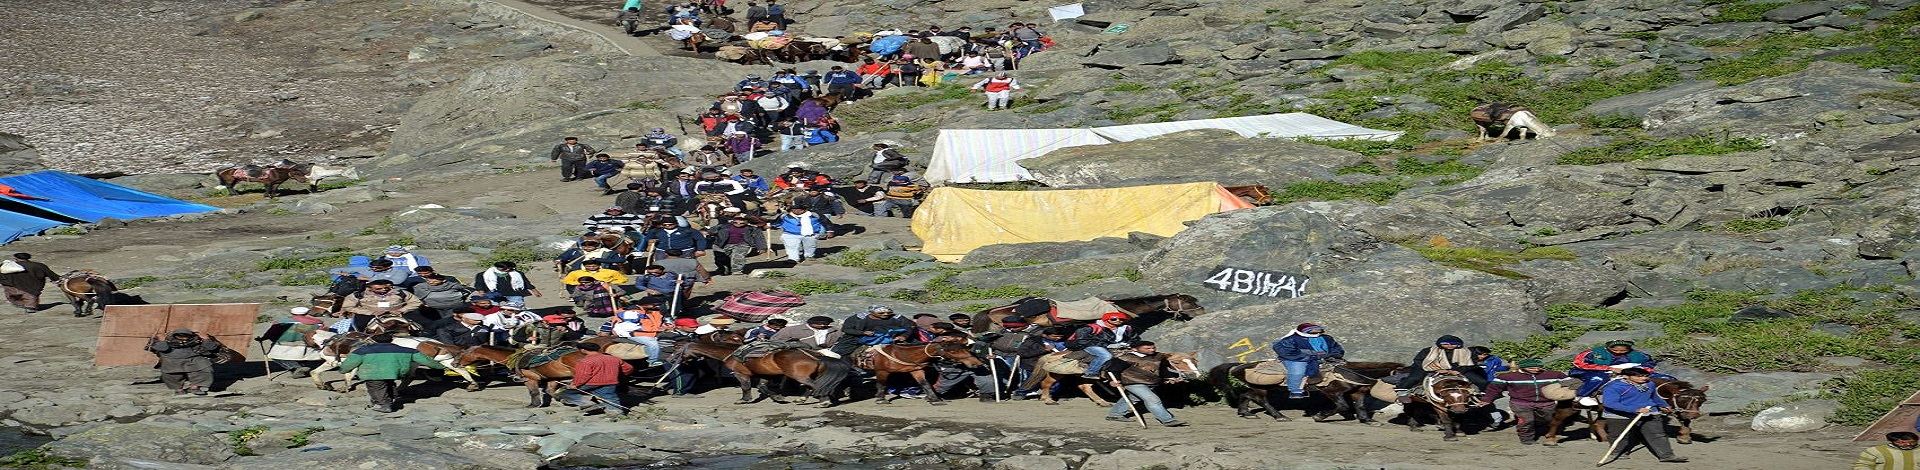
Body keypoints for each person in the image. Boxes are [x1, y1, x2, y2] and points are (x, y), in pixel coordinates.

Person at [1598, 368, 1689, 463]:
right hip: (1619, 415)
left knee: (1657, 434)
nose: (1644, 378)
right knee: (1620, 435)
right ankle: (1619, 452)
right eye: (1639, 376)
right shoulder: (1614, 387)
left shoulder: (1650, 384)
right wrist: (1634, 409)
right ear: (1626, 376)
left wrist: (1663, 405)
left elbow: (1654, 397)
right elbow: (1610, 403)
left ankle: (1667, 455)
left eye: (1645, 376)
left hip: (1649, 412)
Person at [338, 333, 446, 412]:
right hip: (396, 372)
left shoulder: (363, 351)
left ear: (374, 341)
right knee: (389, 383)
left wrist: (343, 370)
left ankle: (384, 405)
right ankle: (392, 398)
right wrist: (440, 367)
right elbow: (425, 360)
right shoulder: (406, 350)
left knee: (376, 387)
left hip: (373, 373)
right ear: (391, 340)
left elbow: (351, 362)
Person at [1100, 341, 1189, 427]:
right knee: (1153, 400)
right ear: (1135, 349)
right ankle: (1168, 420)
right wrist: (1113, 380)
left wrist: (1170, 377)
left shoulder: (1158, 356)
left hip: (1152, 382)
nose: (1152, 350)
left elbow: (1162, 369)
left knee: (1133, 398)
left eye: (1153, 347)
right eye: (1147, 348)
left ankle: (1115, 415)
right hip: (1133, 382)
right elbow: (1113, 370)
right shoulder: (1125, 358)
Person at [1484, 358, 1569, 446]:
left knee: (1548, 419)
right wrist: (1487, 399)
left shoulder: (1554, 375)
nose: (1536, 369)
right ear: (1523, 368)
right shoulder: (1507, 377)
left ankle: (1540, 428)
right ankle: (1526, 438)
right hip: (1520, 403)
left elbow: (1571, 382)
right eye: (1532, 368)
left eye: (1538, 367)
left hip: (1546, 402)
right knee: (1526, 420)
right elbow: (1494, 389)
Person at [1570, 339, 1670, 402]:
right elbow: (1579, 363)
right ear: (1608, 348)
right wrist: (1609, 368)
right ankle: (1581, 396)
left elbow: (1649, 364)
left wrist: (1636, 370)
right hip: (1590, 371)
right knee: (1598, 378)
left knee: (1666, 378)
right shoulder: (1592, 353)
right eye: (1615, 351)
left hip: (1630, 372)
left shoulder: (1639, 354)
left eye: (1623, 351)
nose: (1618, 353)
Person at [1397, 335, 1484, 401]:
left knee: (1480, 380)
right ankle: (1402, 392)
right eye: (1446, 344)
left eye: (1453, 344)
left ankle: (1483, 394)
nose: (1450, 346)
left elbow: (1472, 363)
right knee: (1414, 378)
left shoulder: (1467, 352)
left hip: (1459, 369)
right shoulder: (1428, 351)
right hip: (1428, 367)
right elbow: (1418, 361)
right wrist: (1436, 369)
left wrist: (1456, 371)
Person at [1269, 322, 1343, 399]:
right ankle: (1295, 390)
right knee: (1298, 371)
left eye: (1318, 331)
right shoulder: (1290, 339)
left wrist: (1333, 355)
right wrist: (1310, 357)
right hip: (1297, 359)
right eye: (1313, 331)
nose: (1317, 332)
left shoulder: (1327, 338)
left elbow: (1336, 348)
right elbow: (1287, 352)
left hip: (1324, 357)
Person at [562, 342, 633, 416]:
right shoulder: (614, 358)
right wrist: (618, 375)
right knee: (609, 397)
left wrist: (575, 384)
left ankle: (589, 404)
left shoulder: (585, 361)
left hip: (591, 383)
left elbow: (583, 375)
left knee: (564, 392)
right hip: (611, 382)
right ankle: (617, 413)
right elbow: (629, 368)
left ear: (583, 350)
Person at [147, 328, 223, 396]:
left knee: (203, 370)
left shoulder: (196, 340)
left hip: (193, 359)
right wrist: (162, 340)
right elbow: (163, 348)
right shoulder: (168, 340)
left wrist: (206, 339)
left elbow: (212, 347)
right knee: (172, 376)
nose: (183, 338)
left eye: (185, 336)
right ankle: (178, 389)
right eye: (180, 336)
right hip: (171, 360)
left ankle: (194, 387)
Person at [1067, 312, 1138, 379]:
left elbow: (1135, 338)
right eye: (1114, 319)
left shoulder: (1126, 328)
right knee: (1106, 355)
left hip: (1117, 345)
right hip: (1089, 345)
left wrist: (1128, 344)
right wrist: (1108, 345)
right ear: (1106, 319)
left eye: (1122, 319)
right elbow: (1082, 340)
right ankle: (1090, 373)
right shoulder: (1091, 328)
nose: (1118, 321)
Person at [336, 280, 420, 332]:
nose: (383, 290)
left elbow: (416, 302)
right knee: (359, 326)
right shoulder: (358, 295)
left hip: (397, 312)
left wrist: (402, 310)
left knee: (421, 323)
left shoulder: (400, 293)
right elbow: (348, 307)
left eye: (385, 288)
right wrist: (371, 312)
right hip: (369, 314)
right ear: (369, 288)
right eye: (378, 289)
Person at [829, 305, 914, 357]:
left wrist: (904, 336)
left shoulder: (897, 318)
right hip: (860, 338)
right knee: (837, 353)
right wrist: (862, 333)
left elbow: (909, 327)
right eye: (881, 313)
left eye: (888, 313)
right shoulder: (859, 318)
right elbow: (846, 329)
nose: (885, 315)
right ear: (872, 313)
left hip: (890, 338)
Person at [265, 310, 327, 377]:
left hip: (284, 346)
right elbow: (322, 334)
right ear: (307, 313)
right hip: (308, 347)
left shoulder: (281, 321)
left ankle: (296, 367)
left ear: (292, 313)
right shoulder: (317, 323)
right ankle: (300, 367)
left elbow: (271, 333)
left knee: (274, 355)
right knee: (302, 356)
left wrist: (263, 338)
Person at [1013, 327, 1071, 399]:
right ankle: (1021, 393)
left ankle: (1052, 394)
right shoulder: (1032, 341)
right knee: (1032, 380)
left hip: (1053, 364)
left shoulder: (1064, 342)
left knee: (1055, 380)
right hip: (1032, 364)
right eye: (1055, 336)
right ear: (1045, 335)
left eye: (1060, 336)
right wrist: (1044, 350)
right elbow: (1022, 353)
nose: (1058, 338)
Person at [769, 315, 843, 356]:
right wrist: (795, 345)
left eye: (825, 324)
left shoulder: (835, 330)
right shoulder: (792, 330)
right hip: (802, 352)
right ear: (810, 323)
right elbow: (775, 340)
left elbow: (843, 339)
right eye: (819, 324)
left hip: (828, 351)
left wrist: (833, 344)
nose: (822, 325)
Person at [473, 261, 542, 304]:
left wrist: (535, 291)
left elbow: (526, 282)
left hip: (514, 293)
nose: (507, 270)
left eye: (509, 268)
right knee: (494, 309)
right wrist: (481, 292)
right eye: (504, 268)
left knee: (517, 308)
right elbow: (479, 283)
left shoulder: (518, 274)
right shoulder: (485, 274)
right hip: (493, 293)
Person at [640, 217, 709, 260]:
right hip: (663, 251)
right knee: (662, 266)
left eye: (670, 224)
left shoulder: (687, 230)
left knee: (685, 267)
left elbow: (700, 239)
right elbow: (647, 238)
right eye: (665, 225)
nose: (667, 226)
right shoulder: (656, 231)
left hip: (685, 251)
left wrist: (700, 249)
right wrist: (651, 240)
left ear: (676, 224)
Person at [1855, 432, 1920, 470]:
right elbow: (1862, 465)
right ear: (1893, 441)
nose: (1908, 444)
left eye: (1912, 442)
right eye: (1902, 442)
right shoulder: (1875, 451)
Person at [562, 260, 630, 293]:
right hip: (585, 288)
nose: (591, 267)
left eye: (594, 266)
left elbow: (623, 279)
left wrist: (610, 282)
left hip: (604, 287)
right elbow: (566, 280)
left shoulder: (610, 272)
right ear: (584, 266)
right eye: (588, 266)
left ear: (599, 266)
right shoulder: (576, 273)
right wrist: (581, 283)